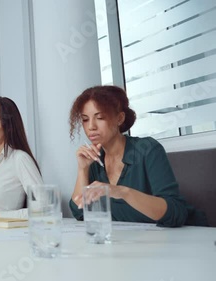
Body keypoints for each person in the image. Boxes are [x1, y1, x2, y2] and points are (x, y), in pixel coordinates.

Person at [69, 85, 207, 227]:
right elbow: (80, 212)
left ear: (120, 118)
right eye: (85, 119)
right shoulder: (95, 160)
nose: (91, 126)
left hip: (187, 237)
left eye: (100, 117)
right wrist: (82, 169)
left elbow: (175, 213)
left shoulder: (147, 149)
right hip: (135, 242)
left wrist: (122, 192)